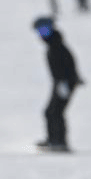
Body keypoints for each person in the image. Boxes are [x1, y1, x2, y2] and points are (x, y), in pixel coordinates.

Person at [33, 17, 83, 152]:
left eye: (45, 30)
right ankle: (53, 140)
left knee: (55, 112)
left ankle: (59, 142)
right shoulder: (54, 44)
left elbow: (69, 63)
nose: (42, 34)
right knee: (51, 112)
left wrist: (66, 82)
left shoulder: (57, 45)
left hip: (64, 83)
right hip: (61, 83)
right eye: (40, 31)